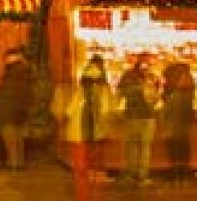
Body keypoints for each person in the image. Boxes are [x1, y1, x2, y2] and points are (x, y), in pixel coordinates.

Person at [58, 55, 112, 201]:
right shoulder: (101, 94)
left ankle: (85, 196)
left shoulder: (81, 94)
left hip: (81, 137)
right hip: (91, 137)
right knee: (90, 169)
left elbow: (68, 112)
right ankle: (90, 196)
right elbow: (107, 113)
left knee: (82, 170)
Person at [117, 52, 160, 187]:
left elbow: (121, 92)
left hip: (133, 116)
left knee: (133, 147)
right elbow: (157, 96)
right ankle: (141, 177)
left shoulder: (128, 75)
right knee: (144, 147)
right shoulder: (152, 76)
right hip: (147, 116)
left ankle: (133, 175)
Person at [0, 48, 34, 170]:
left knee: (10, 138)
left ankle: (14, 164)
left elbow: (9, 92)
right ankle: (19, 163)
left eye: (7, 57)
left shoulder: (14, 71)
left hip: (9, 109)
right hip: (19, 109)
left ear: (15, 57)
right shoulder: (24, 70)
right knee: (18, 138)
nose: (5, 60)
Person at [161, 59, 195, 186]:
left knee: (174, 149)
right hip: (183, 123)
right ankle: (183, 175)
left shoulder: (171, 85)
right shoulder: (189, 83)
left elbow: (166, 101)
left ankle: (176, 174)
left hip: (173, 122)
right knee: (183, 149)